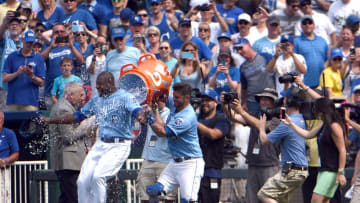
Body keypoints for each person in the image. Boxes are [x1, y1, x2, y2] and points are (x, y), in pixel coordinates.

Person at [42, 72, 146, 203]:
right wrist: (51, 120)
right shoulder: (97, 100)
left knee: (98, 177)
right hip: (101, 143)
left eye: (100, 87)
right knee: (82, 180)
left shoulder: (125, 97)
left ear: (109, 84)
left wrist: (141, 116)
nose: (97, 89)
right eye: (96, 87)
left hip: (119, 144)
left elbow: (137, 111)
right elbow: (76, 117)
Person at [146, 82, 205, 203]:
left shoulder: (187, 116)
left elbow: (162, 132)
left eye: (177, 97)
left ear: (187, 98)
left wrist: (148, 118)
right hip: (175, 162)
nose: (174, 100)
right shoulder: (176, 109)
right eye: (174, 96)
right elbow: (163, 125)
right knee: (154, 191)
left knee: (187, 201)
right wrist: (154, 106)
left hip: (190, 163)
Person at [222, 88, 281, 203]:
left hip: (270, 165)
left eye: (267, 100)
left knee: (269, 199)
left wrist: (241, 111)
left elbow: (261, 126)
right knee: (251, 200)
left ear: (274, 102)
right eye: (261, 99)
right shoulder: (255, 115)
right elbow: (233, 117)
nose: (263, 102)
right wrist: (225, 105)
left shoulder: (278, 119)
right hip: (253, 164)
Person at [285, 97, 347, 203]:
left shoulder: (334, 126)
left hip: (332, 170)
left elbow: (342, 150)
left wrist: (340, 172)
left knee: (316, 200)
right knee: (324, 201)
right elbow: (308, 134)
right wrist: (291, 124)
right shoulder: (324, 125)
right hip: (324, 169)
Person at [256, 94, 308, 203]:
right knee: (280, 199)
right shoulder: (302, 119)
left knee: (264, 194)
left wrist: (261, 127)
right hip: (301, 170)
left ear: (286, 104)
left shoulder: (287, 124)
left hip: (292, 171)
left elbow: (264, 140)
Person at [49, 82, 88, 203]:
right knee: (73, 198)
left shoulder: (67, 107)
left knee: (67, 198)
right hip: (69, 163)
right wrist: (84, 126)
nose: (83, 97)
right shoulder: (63, 109)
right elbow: (68, 137)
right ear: (70, 95)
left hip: (70, 162)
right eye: (80, 95)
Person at [135, 100, 176, 203]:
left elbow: (164, 129)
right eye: (152, 99)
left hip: (166, 160)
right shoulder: (149, 112)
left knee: (168, 197)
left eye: (157, 99)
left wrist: (153, 113)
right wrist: (141, 115)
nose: (154, 102)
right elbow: (140, 120)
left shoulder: (171, 113)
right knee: (145, 196)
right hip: (148, 159)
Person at [197, 89, 230, 203]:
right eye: (203, 100)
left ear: (216, 102)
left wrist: (193, 122)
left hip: (212, 169)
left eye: (208, 100)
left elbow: (213, 134)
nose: (205, 103)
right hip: (195, 169)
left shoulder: (221, 120)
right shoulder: (197, 118)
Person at [40, 23, 84, 109]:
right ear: (52, 34)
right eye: (56, 32)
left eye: (62, 31)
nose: (59, 33)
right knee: (53, 119)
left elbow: (81, 61)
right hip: (51, 92)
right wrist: (51, 47)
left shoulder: (72, 46)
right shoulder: (48, 46)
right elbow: (40, 60)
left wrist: (71, 46)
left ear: (66, 33)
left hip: (70, 93)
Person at [2, 30, 45, 111]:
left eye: (31, 42)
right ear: (22, 40)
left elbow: (41, 83)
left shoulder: (39, 58)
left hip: (30, 101)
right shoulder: (12, 56)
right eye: (27, 41)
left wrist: (32, 76)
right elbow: (4, 78)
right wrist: (17, 73)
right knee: (12, 123)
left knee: (30, 123)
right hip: (13, 101)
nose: (29, 44)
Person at [235, 37, 276, 114]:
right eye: (237, 49)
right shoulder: (243, 67)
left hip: (268, 98)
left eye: (241, 47)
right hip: (252, 101)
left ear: (248, 45)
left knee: (271, 122)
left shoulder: (265, 56)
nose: (239, 51)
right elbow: (244, 87)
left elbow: (274, 72)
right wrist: (244, 102)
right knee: (253, 124)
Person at [294, 15, 328, 89]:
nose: (307, 25)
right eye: (304, 23)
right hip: (305, 84)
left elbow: (327, 60)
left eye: (310, 22)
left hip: (322, 83)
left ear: (314, 25)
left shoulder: (322, 41)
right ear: (301, 26)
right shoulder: (296, 42)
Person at [0, 110, 19, 203]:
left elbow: (16, 153)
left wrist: (5, 161)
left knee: (5, 198)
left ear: (3, 120)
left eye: (0, 119)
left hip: (4, 171)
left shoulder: (9, 133)